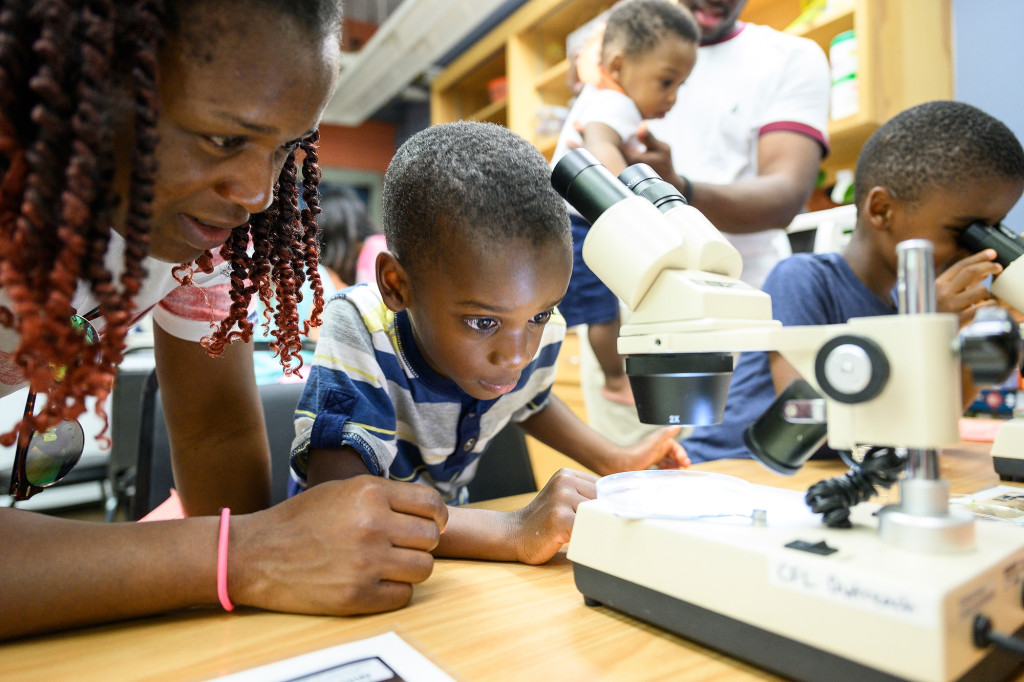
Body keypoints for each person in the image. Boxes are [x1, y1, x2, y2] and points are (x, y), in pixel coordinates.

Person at [0, 0, 447, 641]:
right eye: (225, 139)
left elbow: (215, 433)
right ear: (94, 89)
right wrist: (244, 556)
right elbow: (247, 549)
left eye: (285, 148)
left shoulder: (202, 242)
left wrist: (269, 573)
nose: (258, 192)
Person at [290, 121, 689, 565]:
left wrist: (615, 460)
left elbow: (528, 398)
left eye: (539, 315)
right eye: (483, 321)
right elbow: (345, 507)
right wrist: (513, 530)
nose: (517, 355)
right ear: (396, 285)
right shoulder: (359, 328)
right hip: (338, 560)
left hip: (436, 556)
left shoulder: (541, 331)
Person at [681, 100, 1024, 463]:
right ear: (881, 210)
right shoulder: (802, 279)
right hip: (729, 470)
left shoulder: (909, 302)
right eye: (964, 231)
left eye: (993, 231)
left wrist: (978, 341)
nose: (978, 251)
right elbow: (812, 424)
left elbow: (925, 423)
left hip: (817, 482)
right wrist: (916, 329)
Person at [552, 0, 698, 408]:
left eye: (680, 85)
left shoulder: (604, 96)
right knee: (600, 310)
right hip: (579, 222)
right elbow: (599, 146)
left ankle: (617, 377)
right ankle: (615, 380)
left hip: (577, 220)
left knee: (603, 309)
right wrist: (638, 210)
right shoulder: (614, 104)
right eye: (666, 82)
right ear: (617, 67)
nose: (672, 97)